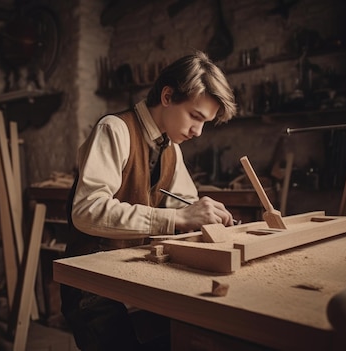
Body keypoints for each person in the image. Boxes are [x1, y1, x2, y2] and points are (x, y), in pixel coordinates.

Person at [61, 51, 237, 350]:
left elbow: (185, 206)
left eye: (205, 122)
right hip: (91, 282)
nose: (198, 132)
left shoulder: (171, 148)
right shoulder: (114, 129)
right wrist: (177, 218)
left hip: (131, 273)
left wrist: (204, 217)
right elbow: (85, 211)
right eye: (196, 117)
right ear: (167, 96)